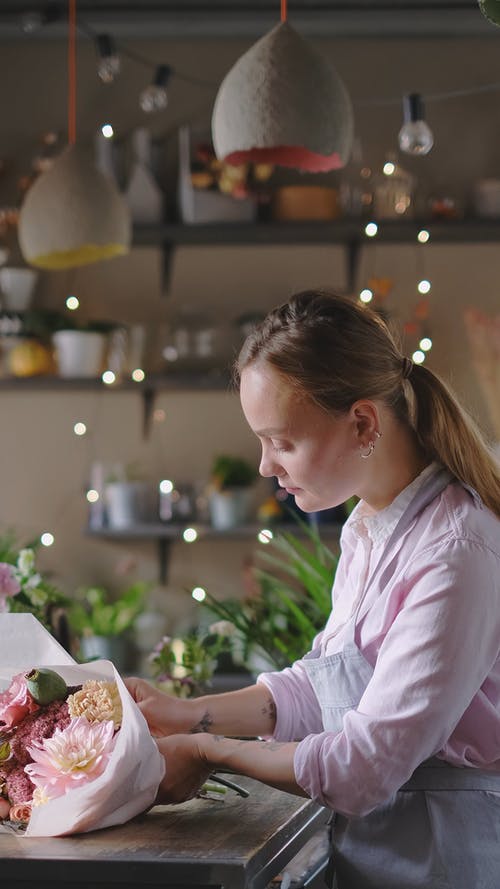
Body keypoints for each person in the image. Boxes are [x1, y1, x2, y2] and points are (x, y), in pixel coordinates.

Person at [126, 290, 500, 889]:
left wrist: (209, 751)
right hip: (383, 846)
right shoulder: (370, 527)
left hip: (444, 855)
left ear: (361, 424)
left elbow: (363, 767)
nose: (265, 467)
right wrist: (187, 714)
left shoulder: (455, 551)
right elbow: (322, 686)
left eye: (283, 441)